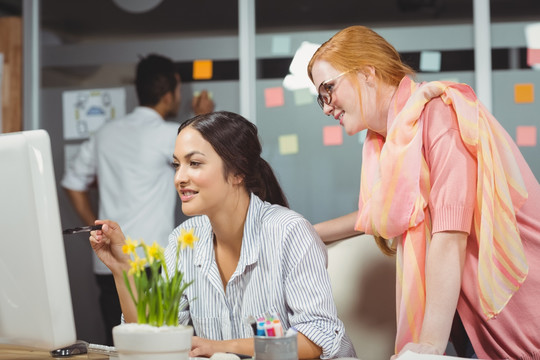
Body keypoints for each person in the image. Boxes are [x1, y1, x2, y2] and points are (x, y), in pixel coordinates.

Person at [307, 25, 540, 360]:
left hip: (517, 304)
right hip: (465, 312)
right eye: (320, 98)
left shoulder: (440, 115)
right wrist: (310, 231)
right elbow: (380, 212)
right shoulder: (387, 143)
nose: (327, 107)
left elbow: (450, 232)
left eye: (328, 89)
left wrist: (428, 347)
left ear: (367, 72)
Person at [89, 111, 357, 359]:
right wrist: (122, 268)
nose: (179, 178)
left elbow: (315, 340)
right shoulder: (185, 240)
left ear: (238, 171)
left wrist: (222, 347)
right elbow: (155, 334)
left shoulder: (289, 232)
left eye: (194, 163)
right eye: (176, 165)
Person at [61, 53, 214, 345]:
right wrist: (203, 119)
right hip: (151, 262)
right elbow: (210, 154)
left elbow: (72, 183)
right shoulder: (170, 134)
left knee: (118, 344)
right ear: (171, 92)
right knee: (159, 345)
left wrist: (96, 228)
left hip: (107, 262)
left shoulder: (104, 134)